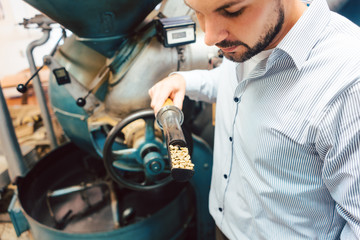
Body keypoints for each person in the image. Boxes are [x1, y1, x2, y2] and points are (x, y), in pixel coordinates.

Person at [148, 0, 360, 239]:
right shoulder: (249, 41)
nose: (209, 37)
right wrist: (186, 81)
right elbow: (235, 82)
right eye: (197, 12)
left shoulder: (349, 87)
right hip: (226, 225)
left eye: (233, 11)